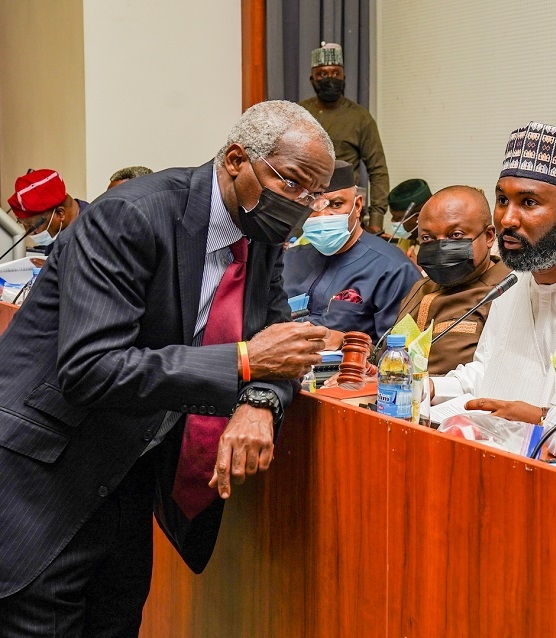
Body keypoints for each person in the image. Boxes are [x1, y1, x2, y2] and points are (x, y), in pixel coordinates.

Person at [0, 100, 334, 634]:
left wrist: (259, 404)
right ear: (234, 160)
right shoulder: (130, 215)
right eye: (292, 184)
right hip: (47, 476)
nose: (302, 206)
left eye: (314, 195)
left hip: (130, 475)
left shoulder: (262, 237)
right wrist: (245, 362)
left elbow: (279, 348)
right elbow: (91, 368)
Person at [432, 122, 556, 433]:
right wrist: (428, 388)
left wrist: (542, 417)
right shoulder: (513, 282)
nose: (507, 220)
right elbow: (486, 372)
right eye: (502, 200)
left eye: (528, 203)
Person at [283, 160, 422, 344]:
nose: (323, 216)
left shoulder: (393, 269)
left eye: (336, 204)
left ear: (357, 206)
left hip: (349, 370)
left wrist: (347, 342)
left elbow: (402, 355)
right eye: (313, 206)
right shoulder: (289, 260)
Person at [395, 185, 511, 375]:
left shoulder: (506, 292)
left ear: (489, 237)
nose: (440, 246)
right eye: (427, 237)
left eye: (456, 235)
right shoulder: (421, 287)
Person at [299, 42, 390, 234]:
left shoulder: (360, 117)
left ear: (344, 77)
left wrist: (376, 220)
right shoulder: (300, 114)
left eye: (335, 73)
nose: (329, 79)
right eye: (322, 74)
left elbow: (378, 169)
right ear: (312, 79)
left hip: (344, 209)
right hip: (304, 209)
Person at [6, 169, 88, 256]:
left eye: (32, 226)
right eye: (22, 224)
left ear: (60, 213)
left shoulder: (93, 230)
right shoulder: (57, 230)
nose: (30, 233)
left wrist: (56, 269)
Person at [383, 178, 432, 257]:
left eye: (398, 218)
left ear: (418, 217)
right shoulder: (408, 238)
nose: (392, 220)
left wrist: (418, 269)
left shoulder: (440, 243)